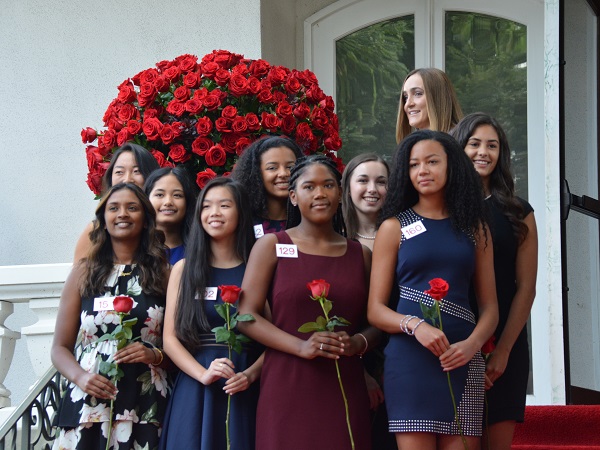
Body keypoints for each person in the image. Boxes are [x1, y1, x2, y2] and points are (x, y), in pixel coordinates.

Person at [368, 130, 498, 449]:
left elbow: (490, 308)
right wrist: (416, 326)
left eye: (432, 161)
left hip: (462, 359)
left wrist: (473, 345)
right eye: (414, 164)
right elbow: (375, 310)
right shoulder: (393, 227)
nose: (423, 170)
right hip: (409, 362)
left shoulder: (476, 228)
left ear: (452, 166)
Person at [238, 154, 375, 450]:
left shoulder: (359, 254)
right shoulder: (272, 245)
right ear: (293, 196)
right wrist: (300, 346)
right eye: (309, 187)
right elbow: (245, 316)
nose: (320, 194)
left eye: (328, 185)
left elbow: (375, 323)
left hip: (344, 383)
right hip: (286, 384)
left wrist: (358, 344)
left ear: (340, 193)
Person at [52, 183, 170, 450]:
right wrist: (81, 377)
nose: (122, 214)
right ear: (103, 220)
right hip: (88, 400)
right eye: (113, 208)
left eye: (132, 208)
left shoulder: (166, 274)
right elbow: (59, 348)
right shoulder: (83, 273)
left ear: (146, 219)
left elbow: (180, 341)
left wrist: (154, 354)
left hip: (144, 399)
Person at [451, 113, 538, 450]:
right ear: (459, 148)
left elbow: (526, 288)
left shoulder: (518, 212)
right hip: (453, 343)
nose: (483, 152)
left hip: (504, 346)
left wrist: (503, 350)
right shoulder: (441, 209)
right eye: (474, 144)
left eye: (492, 145)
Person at [159, 177, 261, 450]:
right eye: (206, 206)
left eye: (224, 205)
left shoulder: (257, 267)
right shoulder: (183, 268)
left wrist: (250, 374)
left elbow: (275, 336)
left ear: (240, 212)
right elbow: (169, 338)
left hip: (243, 384)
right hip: (195, 385)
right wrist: (203, 374)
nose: (214, 213)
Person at [74, 143, 161, 262]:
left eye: (137, 171)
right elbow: (80, 275)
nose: (127, 179)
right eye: (119, 172)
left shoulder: (163, 224)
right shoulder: (96, 230)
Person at [231, 135, 304, 237]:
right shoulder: (242, 222)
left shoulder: (308, 221)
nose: (283, 173)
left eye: (290, 167)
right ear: (257, 173)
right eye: (272, 168)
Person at [144, 166, 197, 265]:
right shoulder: (135, 249)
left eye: (177, 195)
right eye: (160, 195)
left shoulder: (199, 251)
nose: (168, 202)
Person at [395, 68, 463, 144]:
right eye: (406, 97)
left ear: (438, 98)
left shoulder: (463, 143)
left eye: (418, 93)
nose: (408, 104)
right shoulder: (411, 145)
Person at [341, 153, 389, 250]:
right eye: (363, 180)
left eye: (381, 182)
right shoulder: (334, 236)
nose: (372, 189)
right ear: (348, 188)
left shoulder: (402, 233)